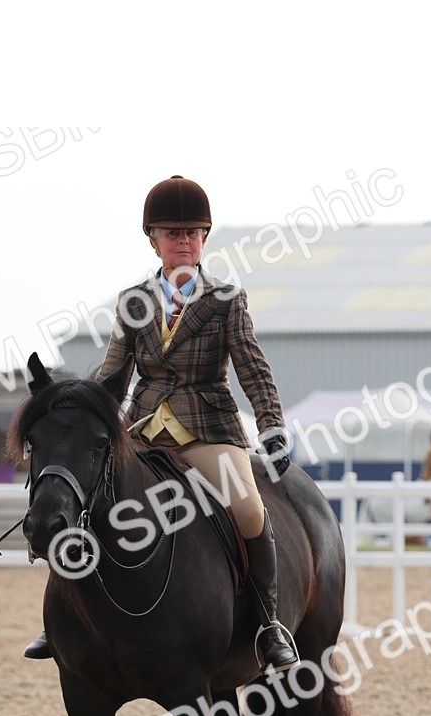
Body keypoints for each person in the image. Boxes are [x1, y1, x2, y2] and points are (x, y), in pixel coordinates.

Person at [25, 175, 299, 672]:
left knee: (250, 509)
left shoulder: (226, 299)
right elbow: (113, 374)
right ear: (153, 239)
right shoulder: (133, 301)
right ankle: (64, 617)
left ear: (205, 239)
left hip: (208, 426)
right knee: (86, 502)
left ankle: (268, 623)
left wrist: (272, 425)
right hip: (144, 427)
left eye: (193, 233)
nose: (184, 242)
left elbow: (253, 368)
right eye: (174, 234)